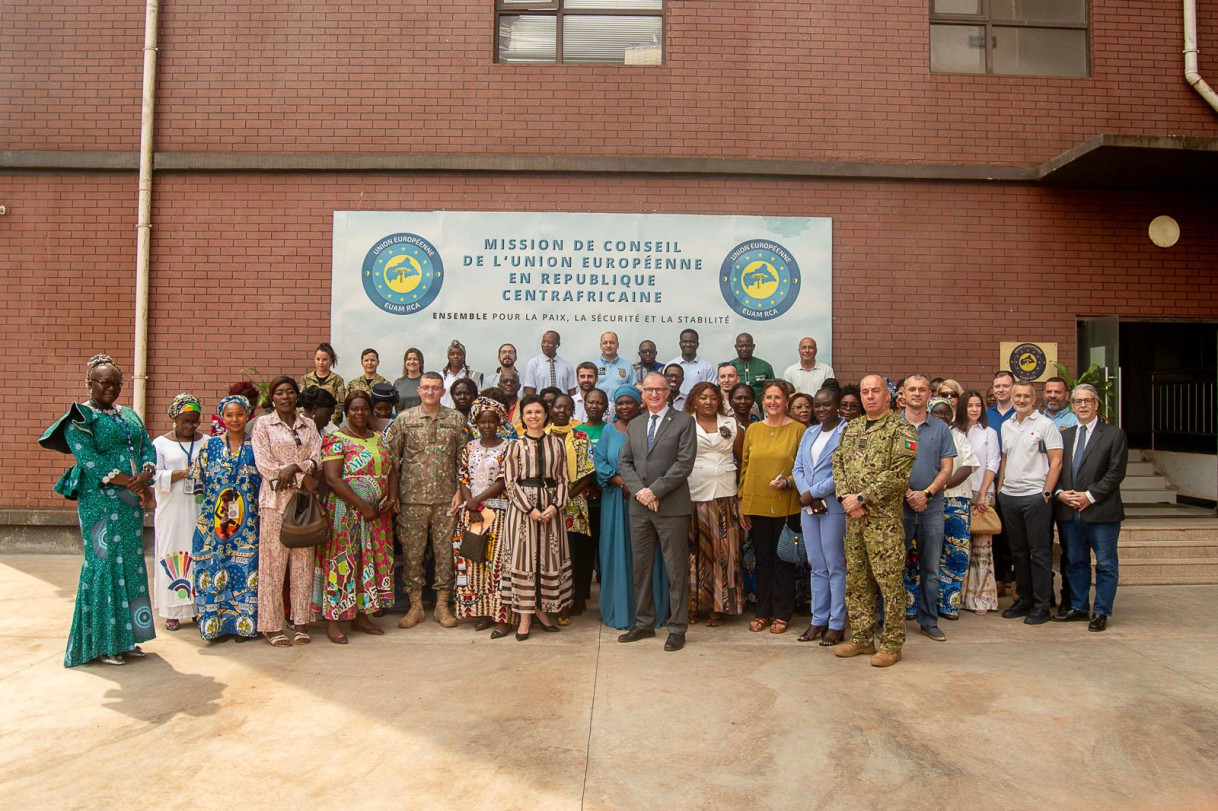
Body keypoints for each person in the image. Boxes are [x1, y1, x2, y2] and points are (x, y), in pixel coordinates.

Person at [40, 354, 157, 667]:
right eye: (105, 382)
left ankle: (128, 638)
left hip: (130, 504)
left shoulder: (130, 415)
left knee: (131, 564)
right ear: (89, 383)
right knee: (104, 565)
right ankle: (103, 644)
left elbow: (147, 446)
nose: (112, 388)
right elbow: (89, 460)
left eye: (117, 383)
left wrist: (145, 474)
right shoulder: (79, 418)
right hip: (99, 502)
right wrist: (129, 482)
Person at [833, 374, 918, 667]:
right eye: (865, 392)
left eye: (875, 391)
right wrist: (846, 495)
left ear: (887, 395)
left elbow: (897, 475)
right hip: (854, 520)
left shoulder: (901, 429)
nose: (869, 397)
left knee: (889, 582)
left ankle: (892, 644)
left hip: (884, 522)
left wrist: (862, 498)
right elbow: (838, 462)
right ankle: (862, 638)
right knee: (856, 580)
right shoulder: (852, 427)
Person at [618, 372, 697, 652]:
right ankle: (644, 623)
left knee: (675, 570)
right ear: (643, 393)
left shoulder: (685, 422)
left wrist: (655, 491)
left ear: (668, 392)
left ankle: (677, 628)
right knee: (641, 569)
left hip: (671, 507)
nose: (654, 394)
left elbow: (684, 463)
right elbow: (624, 463)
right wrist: (641, 491)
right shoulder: (636, 424)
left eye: (659, 390)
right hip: (640, 509)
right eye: (649, 390)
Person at [385, 371, 466, 629]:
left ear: (443, 392)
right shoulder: (404, 420)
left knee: (445, 556)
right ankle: (415, 606)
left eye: (435, 388)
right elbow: (392, 460)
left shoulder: (456, 419)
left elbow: (463, 461)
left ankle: (442, 606)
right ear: (419, 391)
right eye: (426, 388)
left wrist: (459, 493)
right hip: (412, 501)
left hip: (446, 502)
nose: (430, 392)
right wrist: (394, 495)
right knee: (412, 555)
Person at [316, 390, 398, 644]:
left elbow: (392, 470)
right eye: (354, 409)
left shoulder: (379, 439)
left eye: (364, 409)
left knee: (368, 562)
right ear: (346, 412)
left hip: (376, 517)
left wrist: (392, 498)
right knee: (342, 564)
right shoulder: (335, 439)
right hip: (345, 513)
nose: (360, 413)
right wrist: (363, 506)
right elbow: (332, 478)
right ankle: (333, 620)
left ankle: (362, 616)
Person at [251, 375, 322, 647]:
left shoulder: (309, 425)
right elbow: (266, 466)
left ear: (296, 395)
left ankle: (301, 622)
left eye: (290, 392)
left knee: (303, 563)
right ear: (272, 398)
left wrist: (295, 469)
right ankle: (271, 624)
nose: (285, 397)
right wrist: (301, 476)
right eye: (279, 393)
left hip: (304, 504)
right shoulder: (263, 425)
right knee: (272, 566)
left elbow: (317, 458)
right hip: (274, 503)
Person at [1053, 383, 1128, 632]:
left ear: (1096, 404)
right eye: (1078, 401)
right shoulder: (1065, 435)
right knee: (1075, 562)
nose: (1082, 405)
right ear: (1072, 406)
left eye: (1087, 401)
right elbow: (1056, 470)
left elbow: (1115, 473)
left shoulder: (1114, 435)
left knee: (1106, 564)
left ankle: (1101, 611)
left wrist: (1089, 496)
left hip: (1101, 512)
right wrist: (1061, 494)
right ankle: (1079, 607)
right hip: (1069, 511)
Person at [595, 385, 669, 630]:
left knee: (647, 553)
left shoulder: (649, 427)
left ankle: (651, 610)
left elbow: (658, 461)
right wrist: (620, 481)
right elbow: (600, 461)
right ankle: (620, 610)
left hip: (647, 498)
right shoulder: (608, 430)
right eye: (621, 403)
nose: (625, 407)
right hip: (616, 500)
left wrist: (638, 487)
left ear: (640, 404)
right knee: (617, 552)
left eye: (630, 402)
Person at [189, 394, 261, 642]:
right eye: (229, 415)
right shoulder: (210, 446)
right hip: (215, 522)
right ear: (222, 416)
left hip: (248, 523)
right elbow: (198, 479)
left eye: (239, 414)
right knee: (215, 569)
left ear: (248, 415)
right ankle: (215, 626)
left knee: (245, 571)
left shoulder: (256, 446)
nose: (234, 419)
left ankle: (242, 626)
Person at [738, 380, 806, 636]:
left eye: (778, 397)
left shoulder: (799, 430)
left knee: (783, 560)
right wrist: (742, 501)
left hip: (787, 505)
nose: (773, 402)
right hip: (757, 503)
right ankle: (762, 612)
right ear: (762, 401)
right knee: (763, 560)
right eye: (768, 398)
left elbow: (803, 468)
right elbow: (745, 467)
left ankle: (782, 614)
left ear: (786, 401)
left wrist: (788, 482)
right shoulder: (753, 429)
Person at [502, 395, 573, 639]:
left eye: (538, 412)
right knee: (525, 560)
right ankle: (524, 617)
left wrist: (556, 505)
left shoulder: (557, 444)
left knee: (547, 559)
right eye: (529, 412)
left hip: (550, 509)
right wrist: (529, 509)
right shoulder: (514, 445)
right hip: (523, 512)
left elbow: (564, 479)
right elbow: (510, 483)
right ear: (522, 416)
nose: (534, 416)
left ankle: (542, 611)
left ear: (546, 415)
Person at [997, 380, 1063, 625]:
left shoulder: (1046, 425)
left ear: (1034, 400)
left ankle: (1042, 605)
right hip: (1010, 497)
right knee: (1019, 554)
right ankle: (1023, 599)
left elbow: (1056, 461)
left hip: (1035, 497)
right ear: (1012, 398)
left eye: (1026, 396)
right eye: (1018, 396)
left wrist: (1046, 493)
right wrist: (1001, 488)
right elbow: (1005, 459)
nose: (1021, 400)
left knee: (1039, 554)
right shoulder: (1007, 426)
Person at [452, 397, 518, 639]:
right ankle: (482, 612)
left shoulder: (510, 447)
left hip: (499, 513)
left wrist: (477, 500)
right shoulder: (469, 448)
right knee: (474, 562)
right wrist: (470, 502)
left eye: (492, 421)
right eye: (483, 422)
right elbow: (463, 477)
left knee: (499, 565)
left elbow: (504, 479)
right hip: (473, 514)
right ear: (476, 423)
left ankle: (502, 617)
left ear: (499, 422)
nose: (487, 425)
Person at [899, 375, 957, 642]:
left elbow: (947, 468)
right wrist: (908, 493)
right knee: (893, 565)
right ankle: (890, 619)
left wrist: (926, 493)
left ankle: (928, 621)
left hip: (932, 506)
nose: (917, 394)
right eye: (912, 389)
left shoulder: (940, 428)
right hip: (898, 505)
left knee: (930, 568)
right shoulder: (892, 425)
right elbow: (885, 468)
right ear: (903, 393)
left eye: (922, 390)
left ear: (929, 394)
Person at [685, 381, 745, 626]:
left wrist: (741, 495)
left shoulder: (731, 425)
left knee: (723, 551)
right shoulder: (684, 423)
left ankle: (719, 606)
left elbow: (743, 460)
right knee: (694, 550)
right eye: (703, 397)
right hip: (693, 494)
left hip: (724, 494)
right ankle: (692, 605)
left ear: (719, 400)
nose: (708, 402)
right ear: (694, 401)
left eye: (713, 397)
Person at [792, 387, 848, 646]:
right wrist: (807, 494)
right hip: (810, 507)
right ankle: (818, 620)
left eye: (827, 404)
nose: (821, 409)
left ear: (837, 404)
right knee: (816, 565)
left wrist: (814, 493)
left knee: (835, 565)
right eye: (817, 405)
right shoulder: (810, 432)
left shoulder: (846, 431)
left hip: (832, 506)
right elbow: (798, 467)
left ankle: (836, 624)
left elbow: (843, 471)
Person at [151, 393, 204, 631]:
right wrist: (183, 473)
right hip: (171, 511)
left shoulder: (208, 441)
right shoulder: (160, 444)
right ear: (175, 419)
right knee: (171, 554)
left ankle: (197, 609)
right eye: (186, 421)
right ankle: (172, 611)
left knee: (198, 553)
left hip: (198, 508)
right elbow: (153, 476)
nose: (191, 426)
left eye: (195, 421)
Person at [546, 394, 596, 622]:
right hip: (544, 504)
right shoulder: (541, 436)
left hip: (573, 505)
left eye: (566, 408)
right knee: (549, 554)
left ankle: (574, 598)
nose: (562, 411)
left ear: (571, 411)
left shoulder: (581, 437)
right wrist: (551, 499)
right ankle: (550, 598)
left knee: (575, 553)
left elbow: (588, 475)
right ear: (551, 409)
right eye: (558, 407)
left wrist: (564, 497)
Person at [930, 396, 978, 621]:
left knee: (956, 554)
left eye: (946, 412)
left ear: (952, 415)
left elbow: (968, 466)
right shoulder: (922, 435)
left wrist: (943, 484)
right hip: (927, 501)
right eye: (937, 412)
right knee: (923, 554)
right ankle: (917, 604)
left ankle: (948, 604)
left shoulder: (960, 438)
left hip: (956, 500)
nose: (942, 416)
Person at [959, 389, 1001, 614]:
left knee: (982, 550)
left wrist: (984, 494)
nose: (974, 409)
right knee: (960, 548)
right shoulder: (953, 431)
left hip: (982, 494)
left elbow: (992, 464)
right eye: (970, 405)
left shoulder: (989, 433)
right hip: (958, 494)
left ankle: (982, 599)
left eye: (978, 405)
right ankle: (961, 597)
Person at [1043, 375, 1079, 608]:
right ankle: (1046, 595)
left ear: (1067, 395)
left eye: (1058, 392)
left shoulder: (1077, 420)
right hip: (1043, 492)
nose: (1053, 396)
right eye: (1049, 392)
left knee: (1070, 550)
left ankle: (1069, 597)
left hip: (1067, 493)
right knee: (1042, 547)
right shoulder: (1035, 420)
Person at [986, 370, 1017, 595]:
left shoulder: (1021, 414)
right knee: (994, 533)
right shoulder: (987, 416)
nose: (1001, 390)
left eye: (1005, 386)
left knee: (1012, 533)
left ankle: (1012, 578)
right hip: (990, 482)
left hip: (1014, 484)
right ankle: (998, 578)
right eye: (997, 386)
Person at [300, 342, 345, 423]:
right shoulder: (306, 379)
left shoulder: (337, 380)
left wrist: (330, 419)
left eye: (324, 359)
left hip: (329, 421)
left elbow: (340, 404)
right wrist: (305, 418)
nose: (321, 363)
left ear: (330, 360)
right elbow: (301, 402)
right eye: (318, 359)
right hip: (307, 421)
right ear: (314, 359)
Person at [522, 330, 576, 396]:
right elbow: (529, 389)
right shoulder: (533, 363)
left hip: (562, 404)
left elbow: (571, 391)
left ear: (557, 345)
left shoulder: (567, 365)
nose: (546, 345)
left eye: (550, 342)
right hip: (541, 403)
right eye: (543, 342)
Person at [665, 329, 715, 398]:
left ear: (697, 345)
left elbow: (712, 391)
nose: (688, 345)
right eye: (685, 342)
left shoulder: (707, 367)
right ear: (680, 344)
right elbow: (664, 388)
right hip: (674, 405)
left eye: (692, 342)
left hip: (698, 406)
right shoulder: (670, 366)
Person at [729, 332, 775, 401]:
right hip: (736, 409)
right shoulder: (729, 367)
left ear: (753, 347)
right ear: (736, 347)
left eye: (747, 346)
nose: (744, 349)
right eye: (741, 346)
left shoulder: (765, 366)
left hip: (761, 410)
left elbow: (773, 390)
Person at [440, 340, 483, 408]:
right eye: (452, 354)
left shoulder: (474, 376)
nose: (455, 356)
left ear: (464, 356)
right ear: (448, 357)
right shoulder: (440, 376)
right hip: (445, 416)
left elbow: (479, 399)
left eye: (459, 354)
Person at [594, 331, 633, 395]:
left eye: (612, 343)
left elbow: (632, 389)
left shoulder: (628, 366)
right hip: (598, 404)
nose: (608, 345)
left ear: (617, 345)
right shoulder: (593, 365)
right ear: (600, 345)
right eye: (605, 343)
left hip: (620, 404)